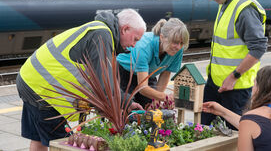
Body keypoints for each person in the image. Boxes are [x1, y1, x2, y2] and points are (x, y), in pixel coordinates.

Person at [16, 9, 146, 151]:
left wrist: (127, 102)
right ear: (125, 29)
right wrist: (125, 104)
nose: (134, 45)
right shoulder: (102, 35)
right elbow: (104, 85)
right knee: (64, 144)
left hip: (30, 80)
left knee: (39, 139)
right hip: (42, 91)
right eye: (135, 39)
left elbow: (107, 80)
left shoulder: (99, 30)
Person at [193, 0, 268, 128]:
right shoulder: (225, 3)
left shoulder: (245, 9)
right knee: (204, 128)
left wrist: (234, 76)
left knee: (234, 134)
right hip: (215, 83)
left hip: (236, 88)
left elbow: (259, 48)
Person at [203, 65, 271, 151]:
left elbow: (251, 124)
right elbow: (258, 127)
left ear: (260, 88)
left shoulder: (251, 118)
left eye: (254, 83)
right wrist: (222, 111)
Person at [117, 18, 189, 108]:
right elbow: (142, 88)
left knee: (150, 108)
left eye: (181, 43)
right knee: (126, 108)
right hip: (124, 72)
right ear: (162, 37)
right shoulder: (144, 46)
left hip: (148, 74)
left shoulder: (178, 50)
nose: (178, 47)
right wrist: (165, 97)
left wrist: (157, 100)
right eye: (175, 42)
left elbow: (165, 73)